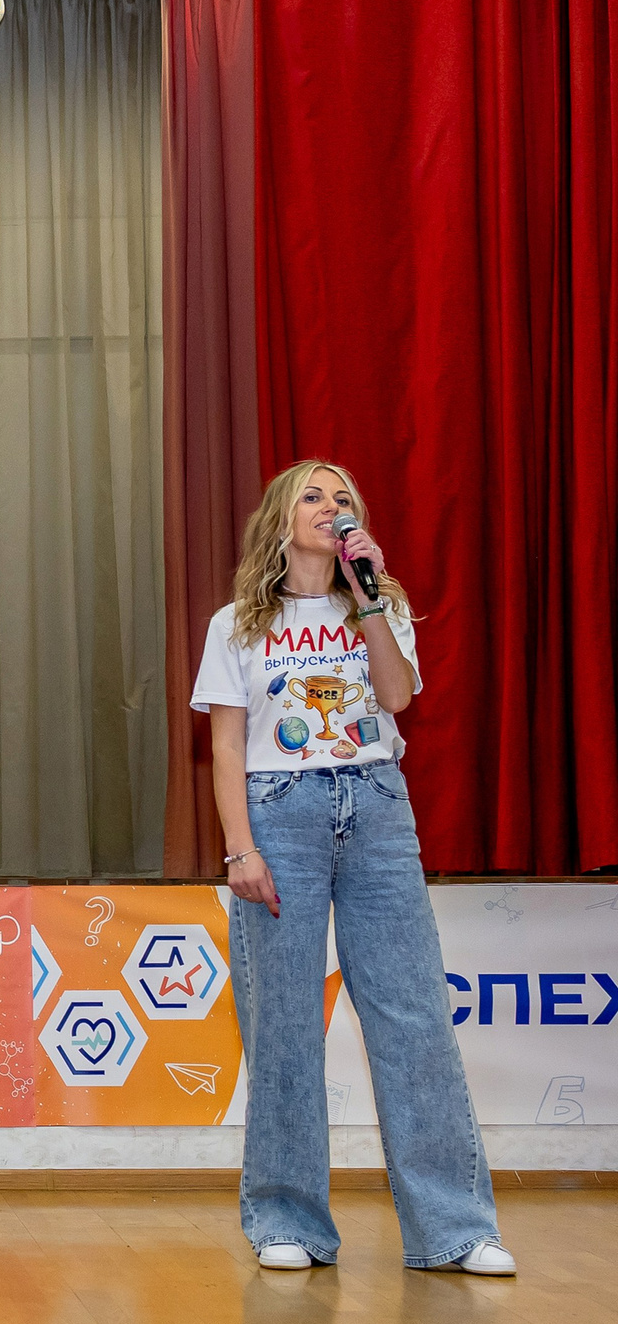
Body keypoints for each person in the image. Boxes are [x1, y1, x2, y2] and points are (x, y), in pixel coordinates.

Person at [192, 459, 515, 1276]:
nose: (330, 508)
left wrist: (368, 596)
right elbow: (226, 743)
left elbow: (399, 696)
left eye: (344, 499)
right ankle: (286, 1219)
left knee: (412, 1015)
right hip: (278, 811)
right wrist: (240, 847)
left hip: (374, 806)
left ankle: (455, 1227)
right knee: (285, 1025)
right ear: (280, 517)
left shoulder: (381, 603)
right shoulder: (236, 624)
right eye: (314, 495)